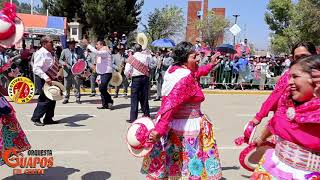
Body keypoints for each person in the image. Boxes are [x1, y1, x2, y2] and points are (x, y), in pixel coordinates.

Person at [141, 42, 222, 179]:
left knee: (178, 165)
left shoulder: (176, 70)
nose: (197, 59)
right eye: (194, 56)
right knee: (189, 166)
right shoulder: (183, 78)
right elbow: (169, 106)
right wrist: (159, 130)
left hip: (179, 126)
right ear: (184, 59)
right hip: (187, 129)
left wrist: (211, 65)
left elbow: (196, 73)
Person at [251, 55, 320, 179]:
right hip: (274, 168)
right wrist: (261, 138)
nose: (289, 82)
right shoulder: (287, 99)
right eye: (290, 76)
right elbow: (274, 122)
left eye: (295, 77)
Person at [249, 42, 318, 127]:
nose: (301, 60)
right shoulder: (288, 76)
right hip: (289, 126)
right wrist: (258, 117)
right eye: (297, 57)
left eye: (304, 56)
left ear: (314, 55)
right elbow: (274, 96)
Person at [31, 36, 59, 126]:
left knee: (52, 98)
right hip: (43, 78)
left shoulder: (50, 53)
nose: (52, 44)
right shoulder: (40, 53)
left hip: (50, 77)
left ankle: (48, 118)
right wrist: (46, 77)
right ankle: (36, 118)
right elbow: (36, 68)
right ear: (44, 44)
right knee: (44, 99)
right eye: (51, 42)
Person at [82, 39, 114, 110]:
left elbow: (96, 52)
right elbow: (98, 64)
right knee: (101, 89)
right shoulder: (100, 54)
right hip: (100, 74)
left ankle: (110, 101)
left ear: (102, 45)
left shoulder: (105, 51)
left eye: (97, 44)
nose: (96, 46)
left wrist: (88, 45)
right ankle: (105, 104)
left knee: (102, 88)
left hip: (106, 73)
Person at [124, 43, 151, 123]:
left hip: (136, 79)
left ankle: (133, 118)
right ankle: (147, 115)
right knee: (144, 98)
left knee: (134, 98)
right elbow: (150, 64)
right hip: (145, 78)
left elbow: (126, 71)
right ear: (141, 49)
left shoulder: (132, 58)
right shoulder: (146, 57)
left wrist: (128, 76)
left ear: (134, 50)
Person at [59, 38, 84, 104]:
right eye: (71, 43)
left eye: (73, 43)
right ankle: (66, 98)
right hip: (67, 70)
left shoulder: (79, 50)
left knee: (76, 85)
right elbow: (60, 60)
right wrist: (63, 63)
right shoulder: (64, 51)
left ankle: (77, 98)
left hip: (76, 71)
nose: (72, 45)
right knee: (67, 86)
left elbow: (83, 58)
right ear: (68, 44)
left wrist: (80, 60)